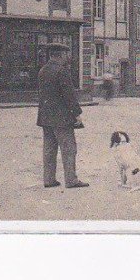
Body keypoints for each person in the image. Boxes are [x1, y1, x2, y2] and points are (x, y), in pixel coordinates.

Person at [36, 43, 88, 188]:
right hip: (61, 118)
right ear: (61, 55)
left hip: (45, 117)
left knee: (49, 149)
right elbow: (69, 96)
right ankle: (71, 180)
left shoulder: (42, 71)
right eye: (67, 54)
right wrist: (77, 114)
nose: (68, 57)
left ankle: (49, 179)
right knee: (69, 148)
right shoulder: (62, 71)